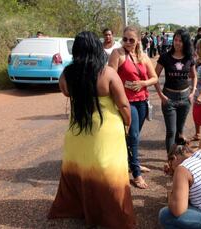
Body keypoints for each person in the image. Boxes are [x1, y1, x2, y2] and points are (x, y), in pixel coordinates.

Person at [48, 31, 136, 228]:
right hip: (106, 131)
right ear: (97, 48)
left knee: (80, 169)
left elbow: (65, 92)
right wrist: (127, 123)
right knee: (108, 173)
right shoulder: (108, 73)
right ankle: (111, 213)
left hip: (78, 129)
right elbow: (123, 105)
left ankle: (82, 209)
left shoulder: (67, 74)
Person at [109, 26, 158, 189]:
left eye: (131, 39)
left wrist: (142, 83)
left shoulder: (143, 56)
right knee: (134, 136)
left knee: (132, 136)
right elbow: (110, 76)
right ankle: (136, 173)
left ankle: (131, 163)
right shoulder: (118, 54)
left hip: (143, 100)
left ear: (138, 40)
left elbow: (155, 78)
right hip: (127, 101)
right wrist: (123, 85)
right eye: (125, 39)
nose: (128, 42)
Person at [155, 28, 197, 153]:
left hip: (185, 99)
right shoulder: (165, 57)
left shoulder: (189, 58)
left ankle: (178, 159)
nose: (177, 43)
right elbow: (154, 77)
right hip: (169, 99)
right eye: (175, 40)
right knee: (171, 131)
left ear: (185, 42)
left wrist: (193, 92)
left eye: (180, 40)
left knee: (179, 131)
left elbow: (194, 76)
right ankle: (170, 160)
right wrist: (161, 95)